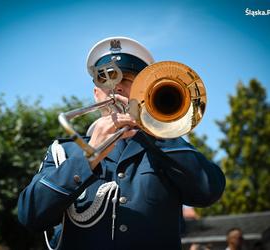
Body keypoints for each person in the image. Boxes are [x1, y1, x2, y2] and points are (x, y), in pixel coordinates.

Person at [18, 36, 226, 250]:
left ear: (144, 90)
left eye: (125, 80)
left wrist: (156, 131)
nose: (115, 88)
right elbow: (30, 215)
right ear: (96, 93)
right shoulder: (63, 151)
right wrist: (86, 159)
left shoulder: (167, 147)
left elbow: (209, 190)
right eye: (105, 80)